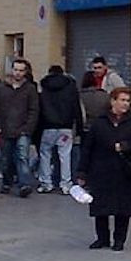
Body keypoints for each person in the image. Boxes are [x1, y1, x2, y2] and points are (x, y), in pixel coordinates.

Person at [77, 86, 131, 251]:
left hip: (125, 170)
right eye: (122, 100)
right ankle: (102, 238)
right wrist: (82, 171)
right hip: (101, 169)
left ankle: (119, 239)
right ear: (113, 101)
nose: (125, 104)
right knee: (100, 206)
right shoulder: (100, 122)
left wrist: (125, 146)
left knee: (123, 208)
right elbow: (88, 148)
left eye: (128, 101)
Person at [0, 58, 40, 197]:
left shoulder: (30, 89)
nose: (18, 73)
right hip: (5, 129)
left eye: (21, 70)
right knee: (6, 159)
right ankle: (7, 182)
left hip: (23, 130)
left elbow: (34, 110)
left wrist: (28, 128)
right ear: (12, 70)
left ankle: (24, 185)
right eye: (16, 70)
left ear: (25, 72)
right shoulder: (1, 88)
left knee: (22, 157)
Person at [36, 64, 83, 193]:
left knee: (45, 154)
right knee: (65, 155)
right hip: (65, 127)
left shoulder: (43, 86)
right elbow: (76, 107)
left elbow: (39, 108)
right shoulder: (70, 86)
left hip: (47, 126)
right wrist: (79, 128)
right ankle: (66, 184)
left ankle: (46, 183)